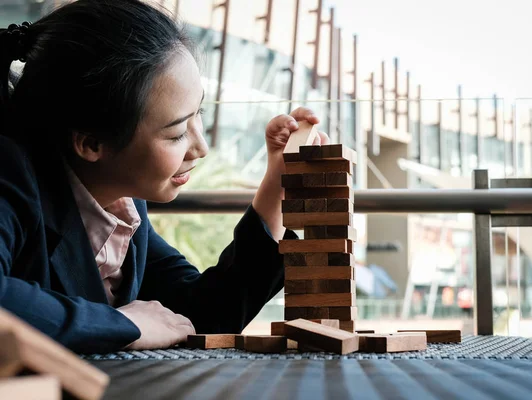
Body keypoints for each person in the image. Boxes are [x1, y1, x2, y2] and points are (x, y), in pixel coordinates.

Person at [0, 0, 328, 354]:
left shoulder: (124, 206)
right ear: (91, 142)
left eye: (198, 113)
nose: (200, 147)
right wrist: (127, 325)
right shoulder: (10, 173)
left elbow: (197, 315)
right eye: (175, 134)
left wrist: (276, 184)